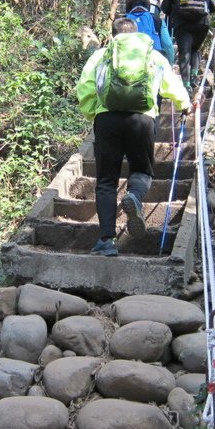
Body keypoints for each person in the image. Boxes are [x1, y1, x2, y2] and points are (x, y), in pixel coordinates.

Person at [76, 18, 193, 257]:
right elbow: (172, 83)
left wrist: (94, 114)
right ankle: (134, 196)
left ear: (113, 35)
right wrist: (185, 104)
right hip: (142, 119)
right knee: (142, 171)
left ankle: (106, 241)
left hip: (107, 119)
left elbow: (85, 87)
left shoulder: (102, 55)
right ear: (136, 33)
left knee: (106, 181)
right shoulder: (152, 54)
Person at [162, 0, 215, 90]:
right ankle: (194, 77)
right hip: (201, 23)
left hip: (182, 24)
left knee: (184, 52)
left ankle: (186, 85)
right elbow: (212, 7)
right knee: (195, 49)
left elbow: (165, 7)